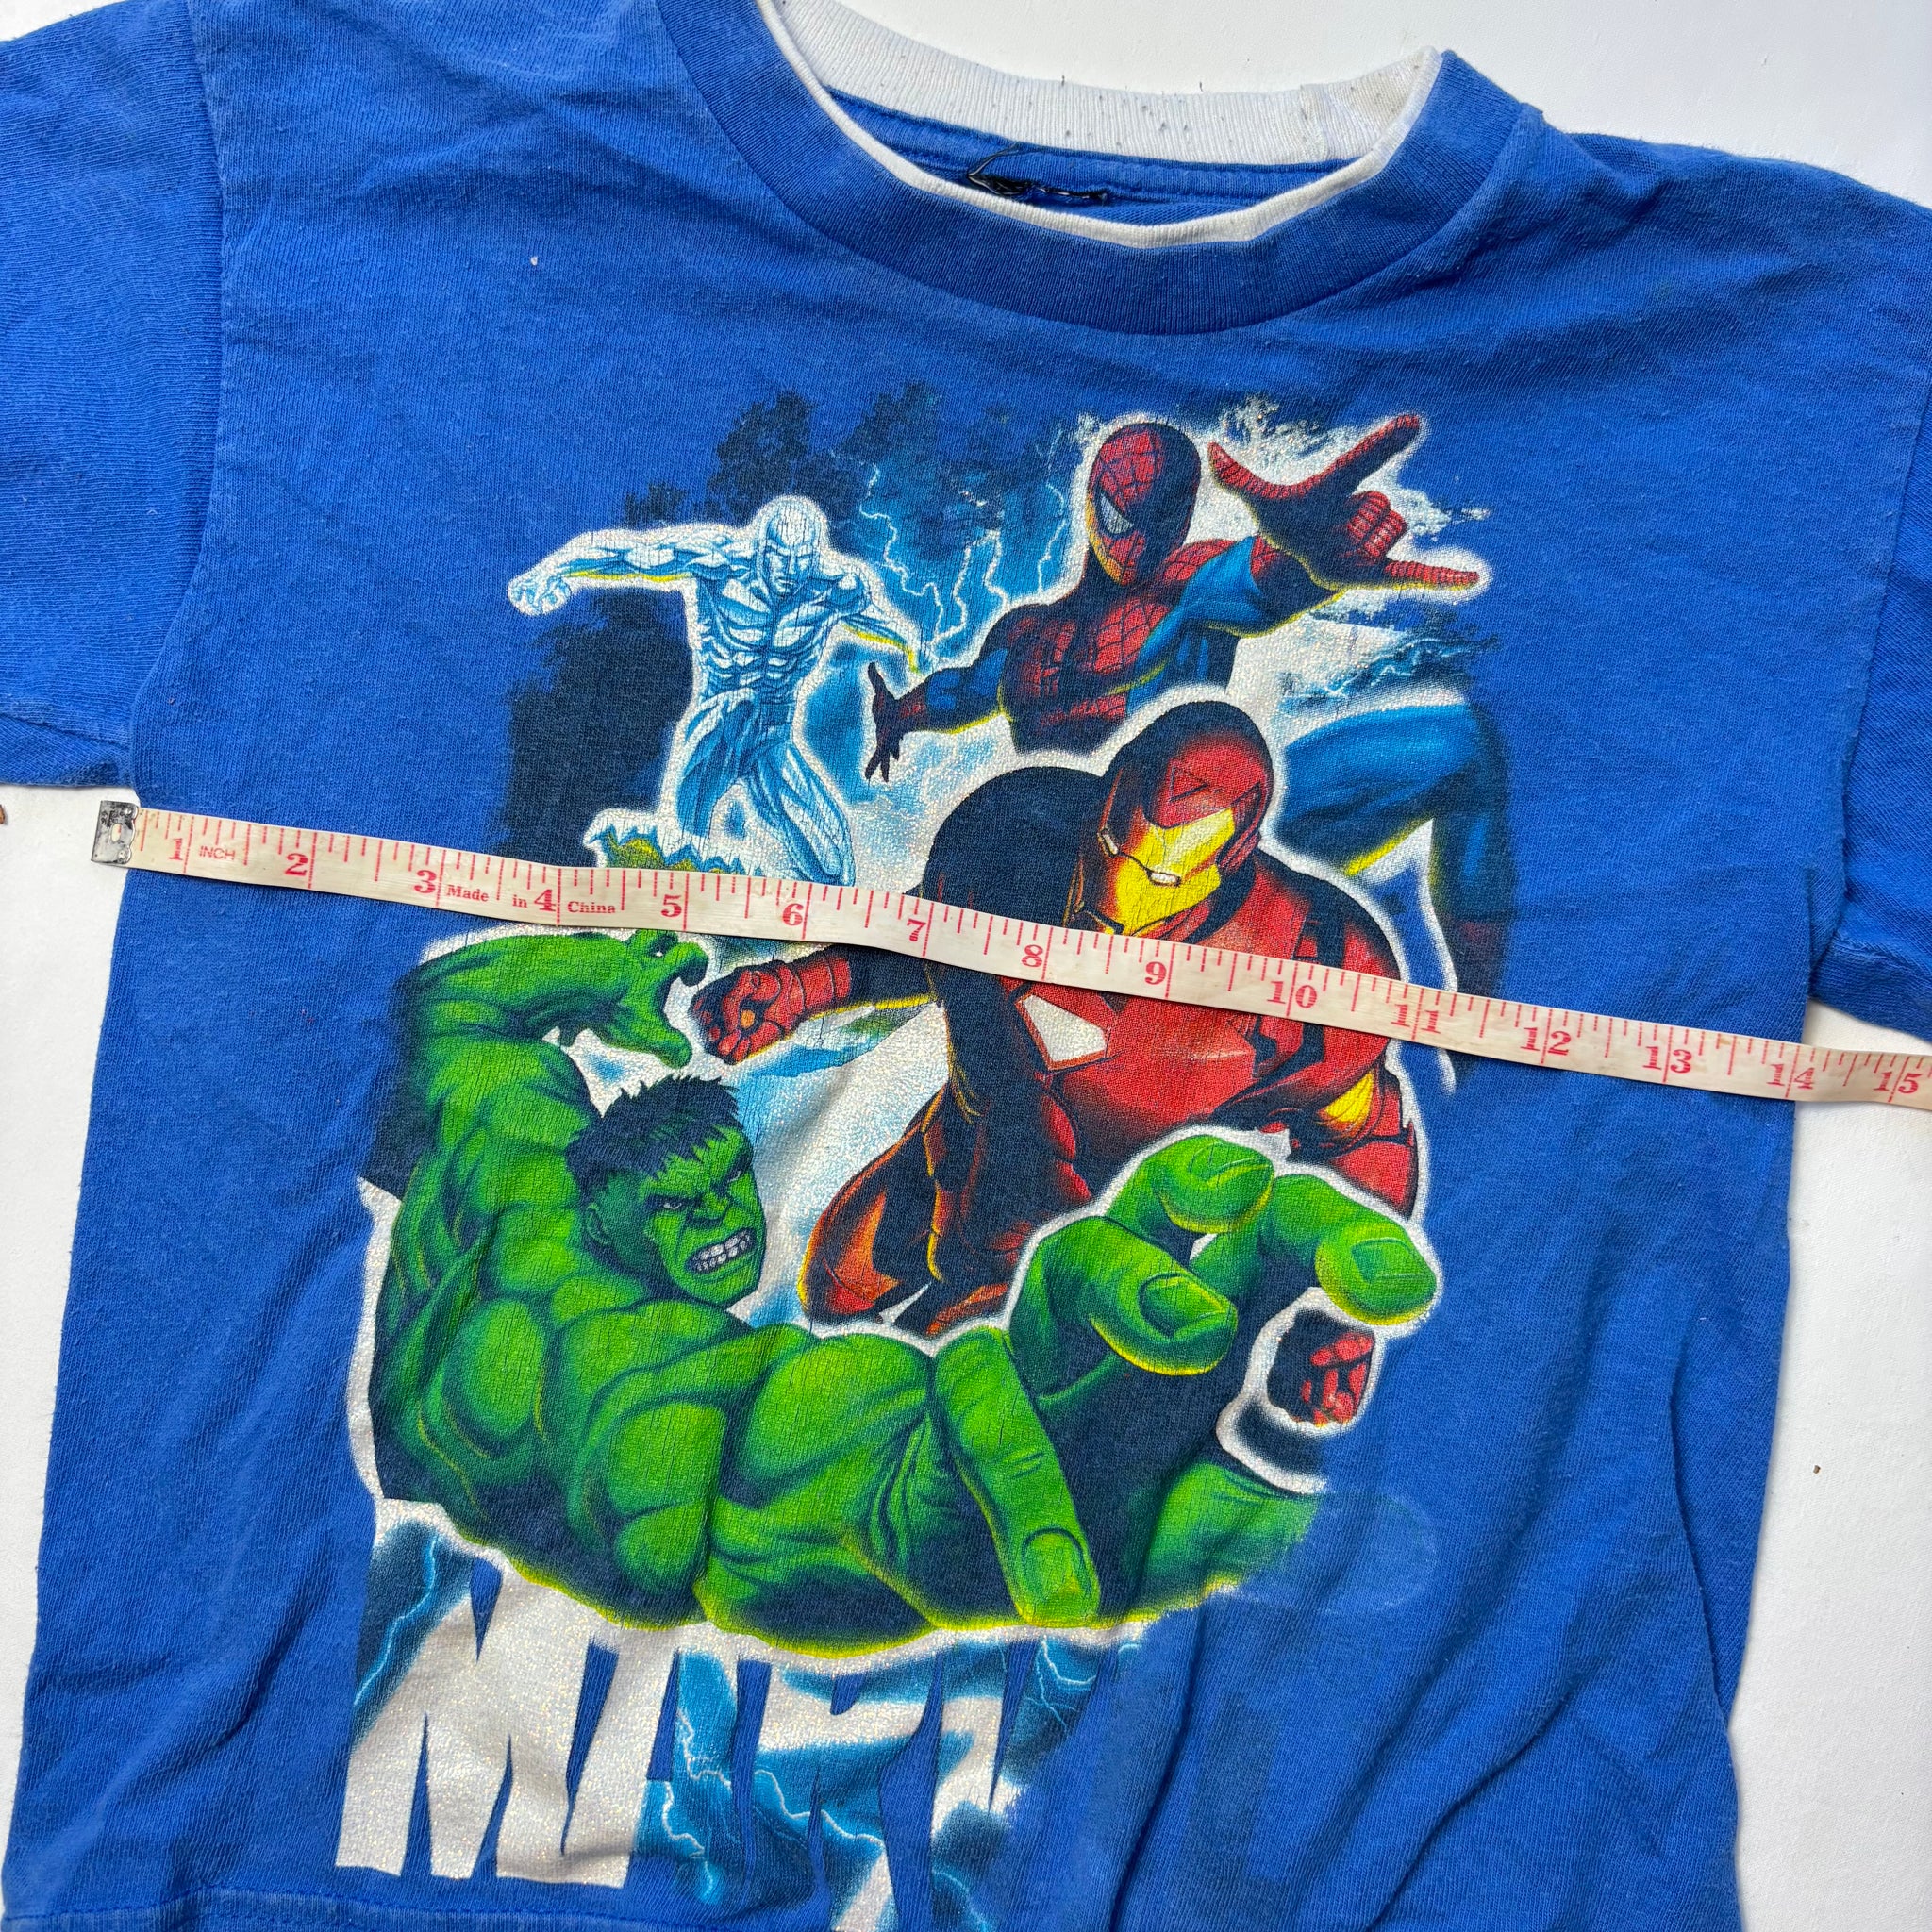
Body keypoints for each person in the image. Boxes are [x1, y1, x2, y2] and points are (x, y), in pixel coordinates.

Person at [369, 925, 1438, 1650]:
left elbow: (457, 1008)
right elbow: (775, 1455)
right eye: (675, 1208)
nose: (723, 1221)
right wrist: (925, 1492)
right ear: (600, 1201)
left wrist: (589, 970)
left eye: (729, 1183)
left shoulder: (507, 1137)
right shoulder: (633, 1378)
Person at [693, 701, 1419, 1348]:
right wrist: (802, 987)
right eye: (1110, 848)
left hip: (1076, 1250)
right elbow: (931, 939)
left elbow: (1365, 1137)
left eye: (1162, 877)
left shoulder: (1314, 964)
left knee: (918, 1388)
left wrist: (1340, 1325)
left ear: (1230, 856)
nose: (1115, 901)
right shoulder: (1013, 836)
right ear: (1108, 793)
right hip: (950, 1152)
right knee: (830, 1296)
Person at [509, 496, 913, 884]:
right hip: (718, 717)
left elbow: (876, 619)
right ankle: (675, 884)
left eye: (802, 559)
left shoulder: (835, 586)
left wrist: (910, 642)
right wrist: (553, 569)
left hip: (772, 734)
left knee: (832, 865)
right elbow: (630, 553)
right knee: (686, 841)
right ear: (761, 548)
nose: (792, 570)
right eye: (781, 557)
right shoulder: (720, 561)